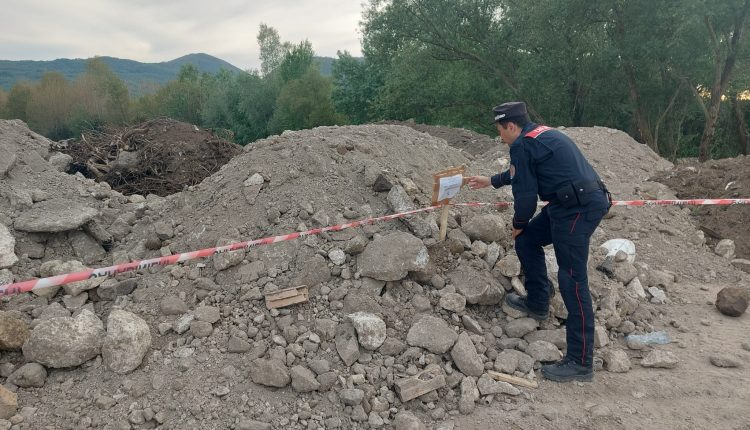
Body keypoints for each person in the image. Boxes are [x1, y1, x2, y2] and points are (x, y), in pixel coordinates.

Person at [466, 101, 611, 382]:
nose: (500, 137)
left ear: (511, 126)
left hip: (576, 209)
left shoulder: (521, 145)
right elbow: (523, 173)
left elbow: (525, 197)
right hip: (569, 202)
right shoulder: (540, 134)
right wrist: (491, 180)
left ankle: (580, 361)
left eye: (500, 130)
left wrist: (518, 224)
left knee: (572, 279)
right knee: (528, 241)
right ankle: (537, 302)